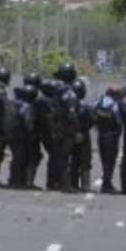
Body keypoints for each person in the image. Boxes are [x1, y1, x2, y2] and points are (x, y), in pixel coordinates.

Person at [50, 62, 80, 193]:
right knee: (65, 157)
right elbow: (72, 113)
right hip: (66, 128)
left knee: (58, 156)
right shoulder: (69, 93)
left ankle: (54, 182)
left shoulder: (57, 91)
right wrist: (77, 130)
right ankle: (65, 185)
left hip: (57, 127)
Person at [94, 84, 122, 193]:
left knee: (104, 159)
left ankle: (106, 183)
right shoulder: (113, 105)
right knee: (110, 161)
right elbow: (118, 120)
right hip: (111, 135)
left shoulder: (99, 102)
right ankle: (107, 184)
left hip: (101, 135)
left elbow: (91, 112)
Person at [7, 84, 36, 189]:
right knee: (21, 159)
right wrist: (31, 132)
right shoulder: (26, 106)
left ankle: (13, 180)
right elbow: (28, 122)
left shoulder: (12, 103)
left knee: (16, 158)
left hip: (11, 134)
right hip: (22, 135)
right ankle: (17, 181)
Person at [70, 78, 93, 192]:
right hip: (83, 135)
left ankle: (73, 184)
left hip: (71, 135)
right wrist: (81, 132)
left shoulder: (68, 105)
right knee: (85, 161)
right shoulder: (85, 106)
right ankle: (85, 185)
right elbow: (91, 120)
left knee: (73, 160)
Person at [26, 73, 48, 189]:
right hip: (32, 132)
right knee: (35, 156)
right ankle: (28, 181)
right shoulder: (38, 100)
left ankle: (18, 180)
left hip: (20, 132)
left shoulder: (22, 94)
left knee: (23, 156)